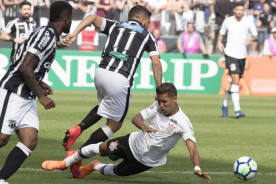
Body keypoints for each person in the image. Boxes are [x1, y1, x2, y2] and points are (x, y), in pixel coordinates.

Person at [42, 83, 211, 183]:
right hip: (131, 143)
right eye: (158, 101)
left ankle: (94, 166)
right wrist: (143, 127)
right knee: (100, 148)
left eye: (164, 101)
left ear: (175, 99)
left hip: (147, 161)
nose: (161, 105)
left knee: (114, 172)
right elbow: (136, 117)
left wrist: (197, 167)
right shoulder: (157, 106)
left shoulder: (183, 123)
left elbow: (193, 149)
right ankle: (64, 163)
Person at [62, 5, 162, 160]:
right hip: (120, 78)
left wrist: (74, 33)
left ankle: (79, 128)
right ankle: (77, 157)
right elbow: (156, 62)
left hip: (101, 73)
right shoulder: (148, 36)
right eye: (148, 22)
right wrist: (159, 89)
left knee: (104, 105)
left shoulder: (115, 25)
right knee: (114, 124)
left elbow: (92, 17)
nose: (148, 25)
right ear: (142, 19)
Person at [0, 1, 73, 183]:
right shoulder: (46, 36)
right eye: (70, 19)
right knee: (1, 138)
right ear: (66, 19)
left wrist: (40, 83)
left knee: (29, 140)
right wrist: (41, 95)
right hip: (14, 91)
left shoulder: (46, 34)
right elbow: (25, 67)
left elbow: (28, 65)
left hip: (27, 95)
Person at [217, 1, 258, 118]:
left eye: (241, 10)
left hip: (242, 55)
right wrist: (219, 42)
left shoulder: (248, 22)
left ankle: (225, 105)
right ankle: (237, 110)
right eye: (237, 10)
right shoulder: (228, 21)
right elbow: (221, 34)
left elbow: (255, 36)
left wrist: (251, 40)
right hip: (230, 53)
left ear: (244, 10)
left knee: (235, 83)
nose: (239, 12)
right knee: (235, 80)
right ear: (234, 10)